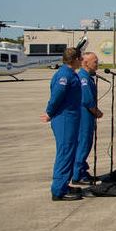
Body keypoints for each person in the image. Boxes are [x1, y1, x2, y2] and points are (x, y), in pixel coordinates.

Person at [40, 48, 84, 201]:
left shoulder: (70, 74)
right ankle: (59, 190)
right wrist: (49, 112)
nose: (82, 60)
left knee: (70, 152)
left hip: (71, 118)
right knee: (65, 153)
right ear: (75, 59)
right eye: (80, 58)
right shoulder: (64, 75)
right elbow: (57, 96)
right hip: (65, 119)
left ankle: (64, 184)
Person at [72, 52, 104, 185]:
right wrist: (96, 112)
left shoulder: (87, 77)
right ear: (85, 63)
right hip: (84, 116)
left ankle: (82, 171)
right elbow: (87, 99)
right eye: (95, 62)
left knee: (85, 144)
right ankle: (77, 175)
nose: (97, 64)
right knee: (84, 144)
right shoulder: (83, 78)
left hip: (87, 116)